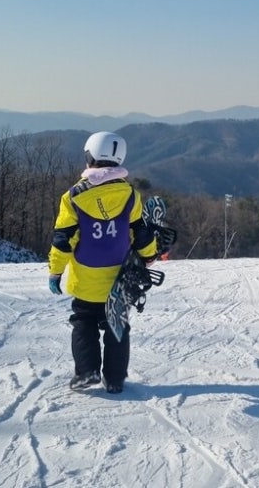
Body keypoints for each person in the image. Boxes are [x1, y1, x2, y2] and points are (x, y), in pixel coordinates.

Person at [48, 131, 158, 393]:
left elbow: (63, 240)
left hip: (86, 279)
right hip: (120, 278)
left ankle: (87, 372)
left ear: (89, 157)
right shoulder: (130, 195)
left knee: (84, 323)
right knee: (116, 325)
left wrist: (55, 272)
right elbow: (140, 232)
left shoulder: (72, 197)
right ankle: (115, 379)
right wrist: (149, 255)